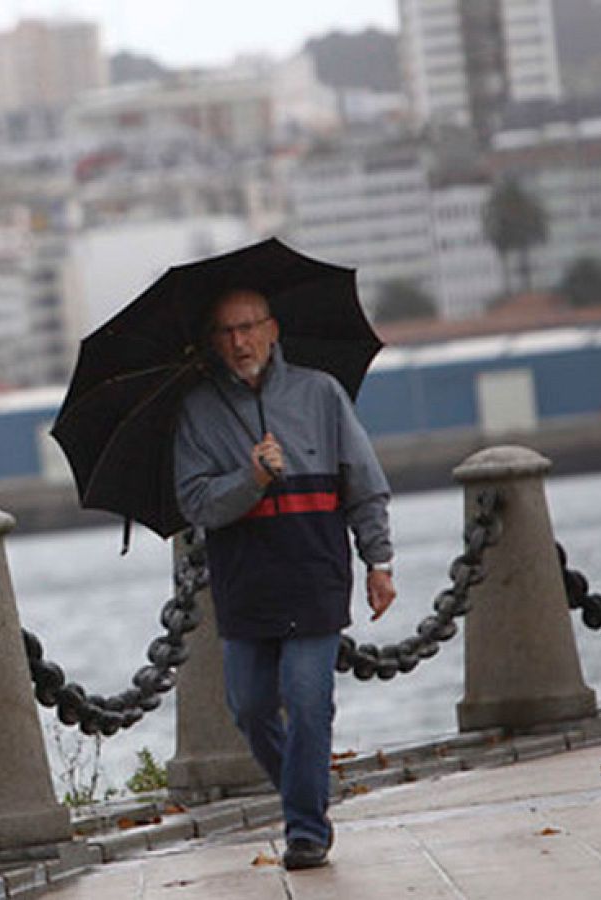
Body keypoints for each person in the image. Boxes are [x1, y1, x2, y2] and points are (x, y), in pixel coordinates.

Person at [172, 288, 396, 871]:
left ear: (273, 329)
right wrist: (249, 478)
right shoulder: (197, 411)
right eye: (226, 331)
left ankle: (305, 830)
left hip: (315, 568)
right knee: (248, 706)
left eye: (249, 327)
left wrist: (379, 561)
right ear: (211, 341)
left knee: (305, 696)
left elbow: (363, 481)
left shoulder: (320, 393)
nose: (239, 342)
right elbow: (195, 503)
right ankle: (308, 795)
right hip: (245, 578)